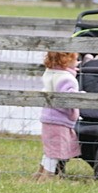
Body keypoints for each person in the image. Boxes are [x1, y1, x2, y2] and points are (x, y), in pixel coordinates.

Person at [34, 51, 81, 180]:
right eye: (75, 60)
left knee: (50, 148)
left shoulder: (50, 73)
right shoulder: (66, 78)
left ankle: (39, 175)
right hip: (60, 119)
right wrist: (81, 96)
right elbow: (67, 98)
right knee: (55, 151)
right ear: (66, 60)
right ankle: (47, 176)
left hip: (48, 116)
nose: (77, 62)